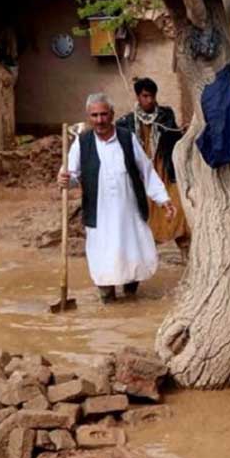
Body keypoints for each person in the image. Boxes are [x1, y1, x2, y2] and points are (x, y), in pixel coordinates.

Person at [58, 93, 176, 303]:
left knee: (132, 254)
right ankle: (108, 297)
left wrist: (163, 199)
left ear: (112, 114)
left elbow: (146, 171)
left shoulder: (127, 138)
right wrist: (65, 179)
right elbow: (72, 175)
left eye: (104, 114)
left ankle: (131, 296)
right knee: (103, 258)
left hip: (128, 212)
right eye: (94, 115)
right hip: (99, 213)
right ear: (88, 117)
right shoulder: (81, 143)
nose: (100, 120)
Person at [115, 77, 191, 261]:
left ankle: (186, 254)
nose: (149, 100)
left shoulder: (165, 115)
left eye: (152, 96)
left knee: (177, 209)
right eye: (145, 96)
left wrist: (183, 132)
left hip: (164, 170)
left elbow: (173, 138)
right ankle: (143, 259)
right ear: (138, 97)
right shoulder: (126, 122)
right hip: (141, 176)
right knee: (144, 216)